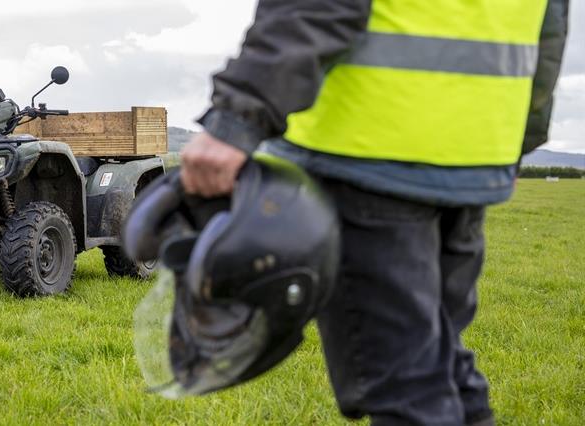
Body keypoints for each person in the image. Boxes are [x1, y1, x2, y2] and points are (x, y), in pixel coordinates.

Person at [178, 0, 570, 425]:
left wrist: (238, 116)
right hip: (473, 156)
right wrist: (517, 145)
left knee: (409, 389)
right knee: (440, 366)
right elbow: (549, 32)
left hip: (367, 156)